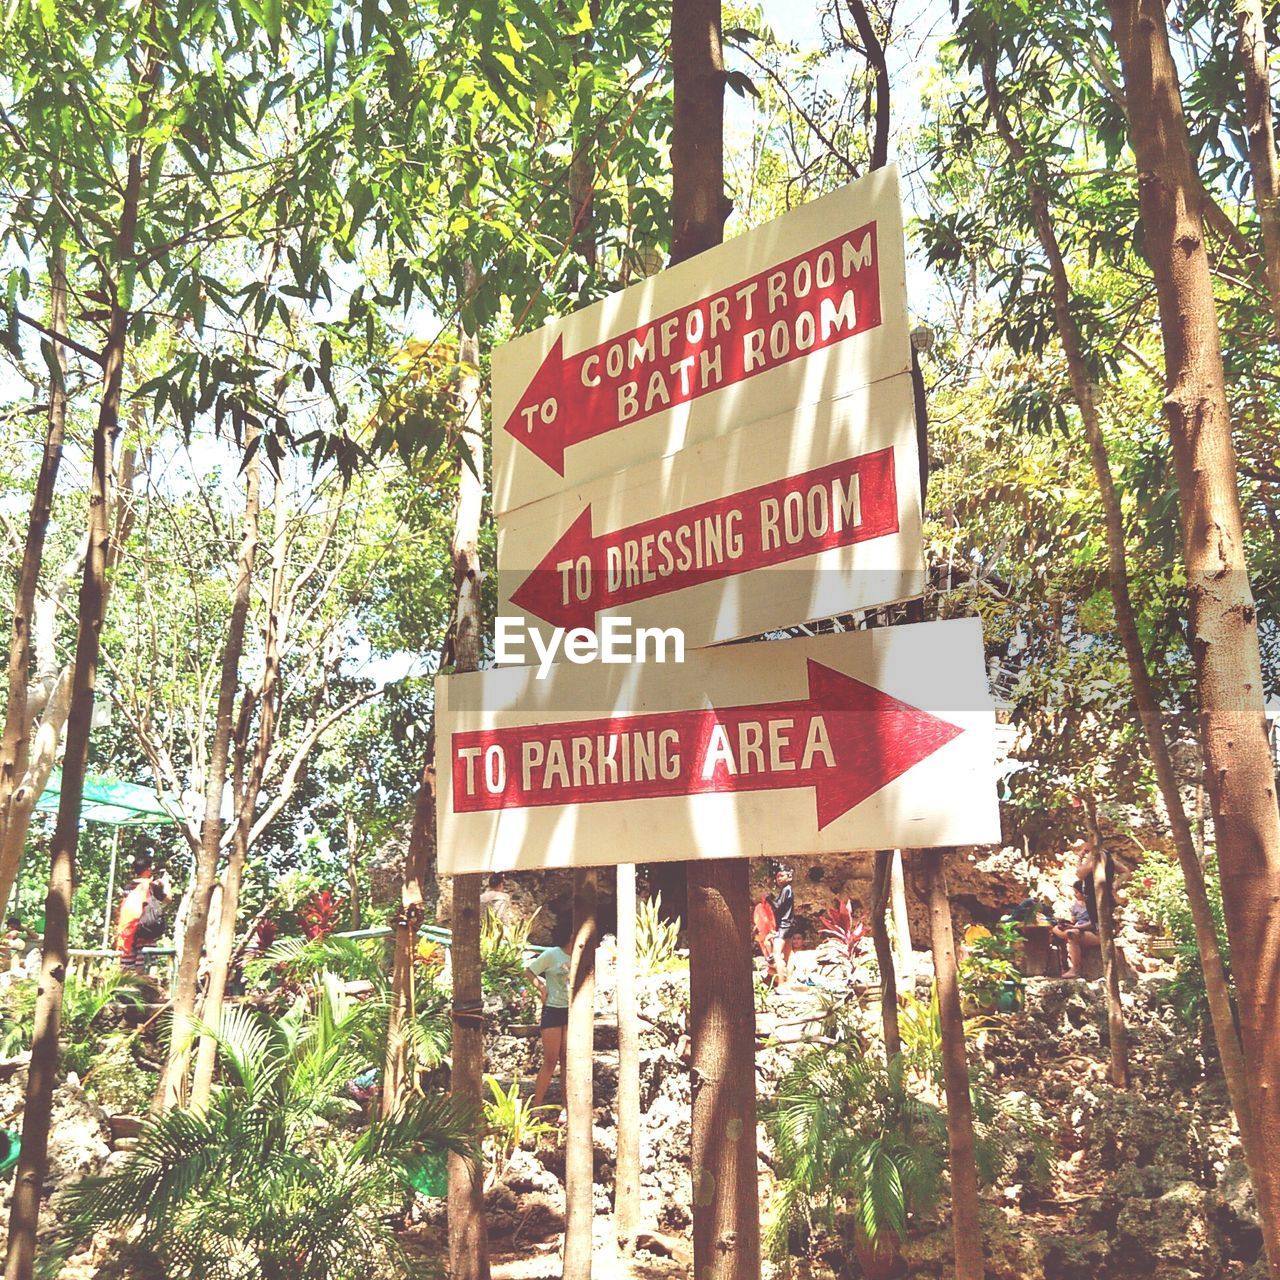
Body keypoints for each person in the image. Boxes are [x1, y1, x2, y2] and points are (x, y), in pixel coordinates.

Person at [526, 917, 572, 1110]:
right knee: (551, 1060)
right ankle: (537, 1106)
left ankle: (567, 1107)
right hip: (553, 1009)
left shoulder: (583, 956)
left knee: (567, 1060)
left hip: (572, 1013)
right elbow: (529, 971)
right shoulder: (553, 954)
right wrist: (542, 988)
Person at [116, 855, 170, 973]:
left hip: (129, 930)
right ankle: (143, 988)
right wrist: (166, 885)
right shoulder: (151, 886)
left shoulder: (128, 887)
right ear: (147, 870)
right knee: (145, 964)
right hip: (145, 929)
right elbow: (167, 899)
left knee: (126, 965)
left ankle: (125, 989)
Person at [1052, 881, 1100, 978]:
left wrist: (1075, 928)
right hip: (1077, 929)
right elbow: (1073, 920)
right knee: (1055, 928)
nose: (1075, 894)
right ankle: (1062, 965)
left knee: (1072, 934)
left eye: (1077, 892)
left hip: (1094, 933)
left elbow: (1093, 924)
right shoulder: (1076, 905)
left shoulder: (1094, 905)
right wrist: (1065, 924)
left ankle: (1075, 969)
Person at [770, 865, 796, 989]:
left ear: (789, 877)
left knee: (776, 953)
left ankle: (781, 984)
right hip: (789, 925)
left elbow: (777, 906)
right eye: (777, 877)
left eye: (781, 876)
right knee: (788, 954)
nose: (778, 879)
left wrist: (768, 898)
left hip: (784, 926)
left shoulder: (786, 889)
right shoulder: (788, 890)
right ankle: (789, 982)